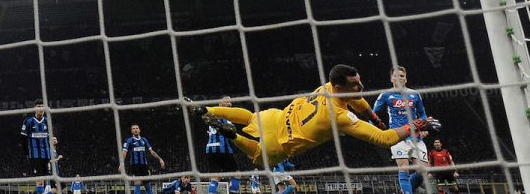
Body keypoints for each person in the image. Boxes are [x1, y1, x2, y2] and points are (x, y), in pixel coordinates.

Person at [188, 64, 440, 167]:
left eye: (360, 81)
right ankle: (231, 135)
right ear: (340, 87)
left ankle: (206, 109)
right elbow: (384, 140)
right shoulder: (339, 117)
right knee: (257, 158)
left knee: (250, 116)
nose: (360, 87)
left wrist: (373, 117)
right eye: (355, 84)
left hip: (275, 117)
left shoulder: (329, 87)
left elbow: (359, 100)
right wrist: (417, 124)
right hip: (283, 141)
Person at [372, 66, 433, 193]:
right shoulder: (385, 95)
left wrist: (424, 125)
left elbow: (422, 114)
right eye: (396, 75)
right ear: (391, 78)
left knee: (423, 172)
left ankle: (404, 189)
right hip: (397, 136)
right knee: (404, 168)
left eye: (402, 76)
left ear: (406, 79)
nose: (399, 78)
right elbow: (373, 115)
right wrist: (372, 130)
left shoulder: (415, 94)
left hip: (415, 136)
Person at [206, 96, 241, 194]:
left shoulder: (211, 114)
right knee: (237, 175)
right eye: (227, 102)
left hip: (210, 149)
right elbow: (230, 133)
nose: (230, 104)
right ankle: (233, 191)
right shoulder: (225, 117)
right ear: (220, 103)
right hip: (223, 148)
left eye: (231, 103)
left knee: (215, 177)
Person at [119, 123, 166, 194]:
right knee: (137, 182)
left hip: (144, 165)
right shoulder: (129, 140)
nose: (135, 130)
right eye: (133, 129)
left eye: (136, 128)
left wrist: (160, 159)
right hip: (135, 165)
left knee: (147, 183)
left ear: (139, 130)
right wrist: (122, 163)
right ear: (131, 131)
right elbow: (124, 152)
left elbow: (151, 151)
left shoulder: (144, 140)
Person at [21, 99, 53, 194]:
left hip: (46, 155)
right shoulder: (28, 121)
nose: (41, 108)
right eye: (39, 106)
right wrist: (27, 154)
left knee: (49, 179)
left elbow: (49, 138)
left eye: (42, 106)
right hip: (34, 156)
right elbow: (23, 139)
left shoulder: (47, 121)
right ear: (35, 108)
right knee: (39, 180)